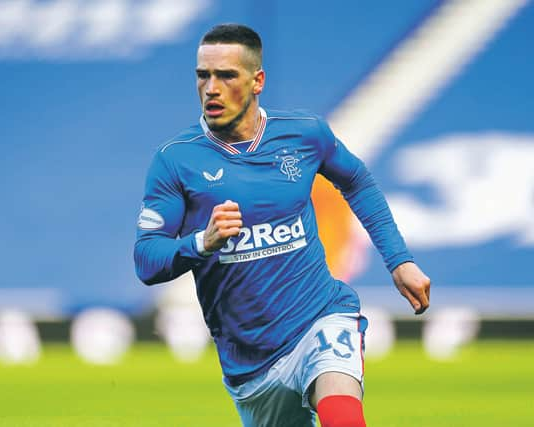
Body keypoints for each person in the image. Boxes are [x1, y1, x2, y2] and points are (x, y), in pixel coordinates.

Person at [134, 23, 430, 427]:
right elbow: (147, 260)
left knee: (343, 412)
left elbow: (357, 181)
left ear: (258, 81)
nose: (211, 88)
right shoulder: (176, 160)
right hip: (251, 363)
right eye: (203, 75)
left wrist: (399, 260)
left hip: (321, 316)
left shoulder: (304, 134)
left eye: (226, 75)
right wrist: (202, 242)